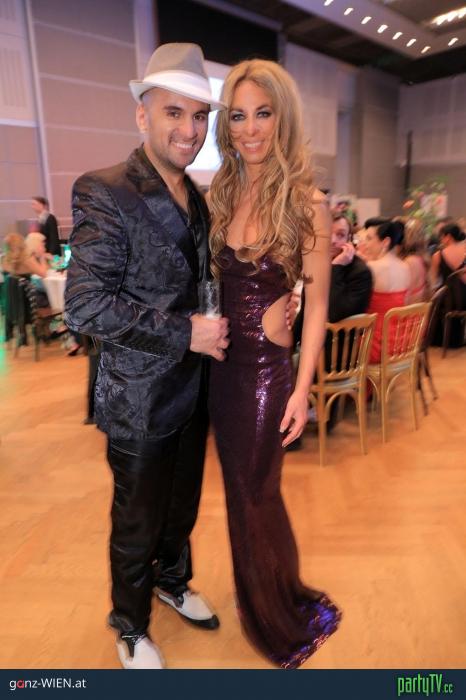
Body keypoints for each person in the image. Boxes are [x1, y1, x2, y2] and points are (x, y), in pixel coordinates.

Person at [64, 43, 230, 670]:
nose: (189, 129)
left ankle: (173, 580)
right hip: (137, 397)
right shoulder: (105, 189)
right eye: (173, 113)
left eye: (199, 116)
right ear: (142, 115)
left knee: (181, 506)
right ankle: (130, 625)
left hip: (194, 388)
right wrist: (185, 333)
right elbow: (84, 306)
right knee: (136, 520)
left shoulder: (199, 197)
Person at [207, 59, 341, 669]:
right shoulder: (220, 195)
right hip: (221, 371)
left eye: (262, 114)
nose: (250, 129)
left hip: (266, 374)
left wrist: (301, 387)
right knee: (242, 492)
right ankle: (262, 595)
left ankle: (277, 611)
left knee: (258, 490)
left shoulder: (308, 202)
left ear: (281, 118)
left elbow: (318, 305)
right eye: (238, 116)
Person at [364, 220, 411, 363]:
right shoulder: (405, 267)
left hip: (375, 345)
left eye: (369, 239)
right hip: (401, 343)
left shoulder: (371, 268)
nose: (365, 244)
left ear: (385, 242)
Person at [399, 218, 429, 304]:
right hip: (418, 308)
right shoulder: (422, 257)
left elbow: (406, 297)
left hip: (410, 310)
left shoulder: (410, 261)